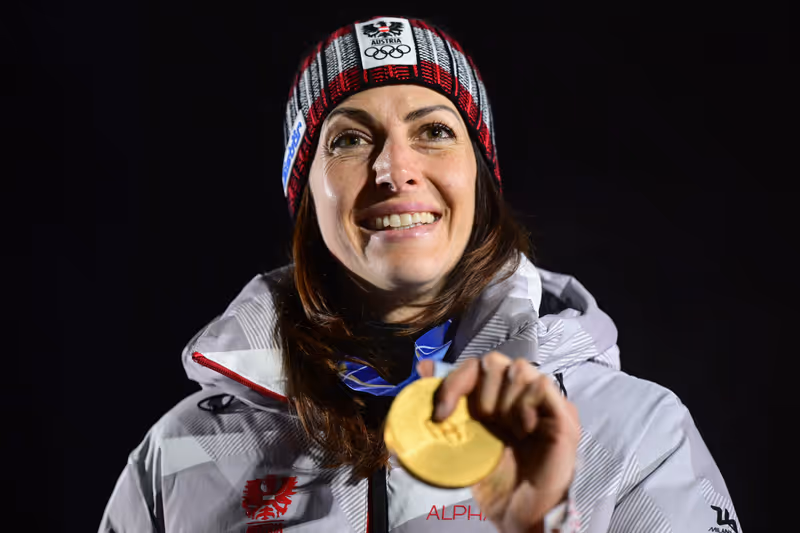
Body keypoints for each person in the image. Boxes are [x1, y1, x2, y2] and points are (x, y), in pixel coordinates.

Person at [99, 16, 742, 533]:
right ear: (308, 195)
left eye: (433, 130)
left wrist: (541, 525)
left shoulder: (633, 431)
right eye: (349, 139)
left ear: (479, 180)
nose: (394, 169)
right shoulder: (180, 451)